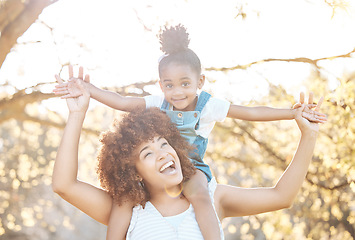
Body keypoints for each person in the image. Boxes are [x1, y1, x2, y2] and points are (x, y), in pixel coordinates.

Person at [52, 25, 326, 240]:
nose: (162, 153)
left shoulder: (210, 195)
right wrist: (79, 110)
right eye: (147, 152)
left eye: (164, 143)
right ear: (132, 170)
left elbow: (282, 196)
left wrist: (305, 131)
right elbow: (64, 185)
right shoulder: (128, 209)